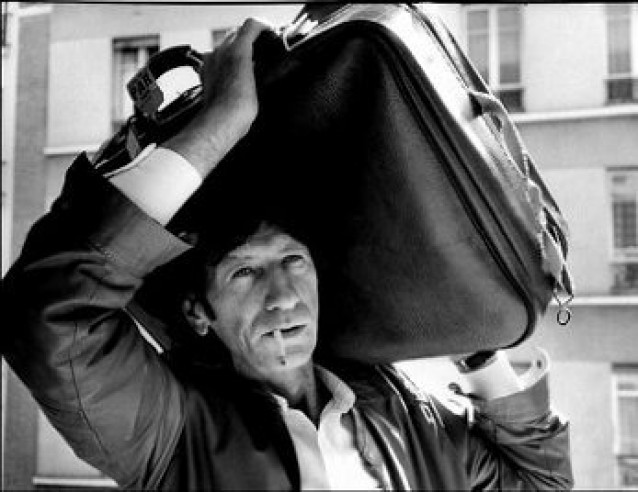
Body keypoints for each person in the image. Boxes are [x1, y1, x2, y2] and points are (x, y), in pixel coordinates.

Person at [2, 16, 573, 490]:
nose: (283, 297)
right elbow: (48, 319)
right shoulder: (174, 433)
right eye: (245, 272)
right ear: (199, 312)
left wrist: (476, 346)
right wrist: (224, 119)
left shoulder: (407, 421)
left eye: (294, 261)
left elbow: (540, 482)